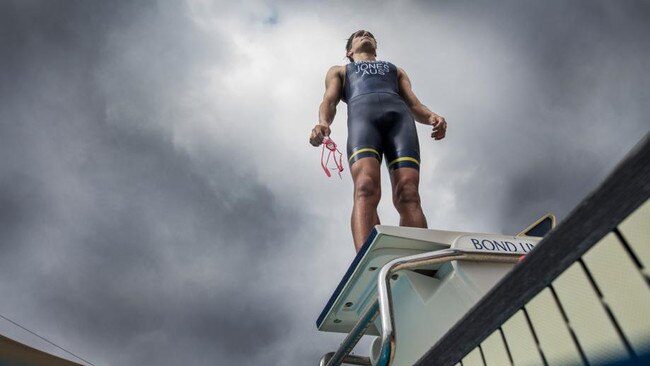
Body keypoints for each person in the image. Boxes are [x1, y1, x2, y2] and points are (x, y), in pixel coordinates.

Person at [309, 30, 447, 252]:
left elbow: (414, 105)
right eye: (358, 35)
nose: (365, 34)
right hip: (364, 125)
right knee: (365, 187)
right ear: (349, 51)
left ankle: (418, 258)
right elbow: (329, 101)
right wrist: (323, 123)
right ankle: (368, 260)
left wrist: (432, 116)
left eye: (370, 35)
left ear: (376, 47)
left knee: (409, 192)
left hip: (400, 124)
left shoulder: (395, 71)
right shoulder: (340, 71)